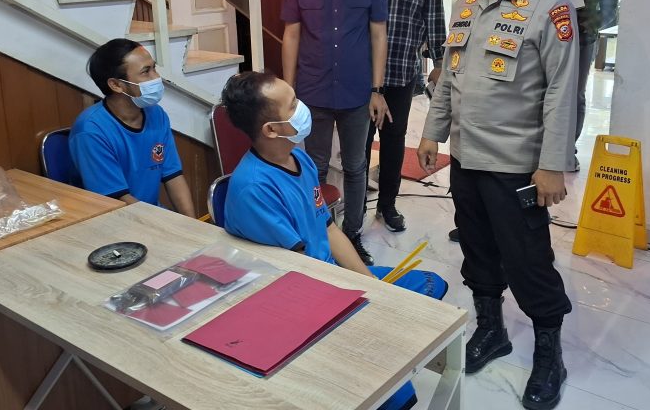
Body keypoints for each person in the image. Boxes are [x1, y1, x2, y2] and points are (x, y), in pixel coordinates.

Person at [418, 0, 577, 410]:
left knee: (528, 260)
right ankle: (492, 330)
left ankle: (549, 354)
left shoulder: (548, 8)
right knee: (478, 251)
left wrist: (551, 165)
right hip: (467, 159)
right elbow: (449, 76)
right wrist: (432, 133)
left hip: (514, 167)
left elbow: (561, 93)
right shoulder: (466, 3)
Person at [219, 71, 448, 410]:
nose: (303, 108)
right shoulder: (254, 188)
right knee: (395, 388)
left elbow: (328, 229)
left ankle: (383, 339)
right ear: (271, 129)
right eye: (293, 105)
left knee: (433, 286)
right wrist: (365, 303)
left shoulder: (299, 158)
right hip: (303, 298)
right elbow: (300, 273)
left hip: (331, 277)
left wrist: (370, 284)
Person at [281, 0, 391, 266]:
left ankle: (352, 234)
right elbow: (291, 35)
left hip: (357, 91)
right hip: (312, 91)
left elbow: (378, 34)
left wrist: (377, 90)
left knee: (356, 165)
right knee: (314, 164)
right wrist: (288, 92)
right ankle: (321, 231)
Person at [351, 0, 445, 233]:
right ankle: (355, 207)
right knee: (358, 146)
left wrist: (439, 61)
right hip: (359, 76)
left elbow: (434, 16)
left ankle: (387, 205)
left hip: (403, 71)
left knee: (393, 143)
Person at [70, 39, 195, 217]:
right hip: (112, 219)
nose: (156, 77)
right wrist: (166, 228)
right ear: (116, 85)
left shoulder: (156, 114)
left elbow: (173, 176)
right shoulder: (91, 131)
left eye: (154, 68)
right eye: (146, 72)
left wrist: (192, 224)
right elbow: (118, 199)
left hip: (151, 215)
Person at [564, 0, 619, 170]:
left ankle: (568, 149)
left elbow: (610, 10)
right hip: (549, 40)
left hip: (582, 40)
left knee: (574, 95)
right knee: (544, 92)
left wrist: (586, 27)